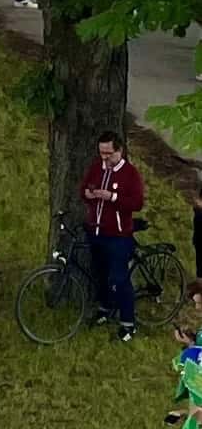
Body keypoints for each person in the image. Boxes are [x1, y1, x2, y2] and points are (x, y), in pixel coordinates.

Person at [80, 135, 146, 342]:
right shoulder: (96, 168)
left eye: (109, 153)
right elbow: (84, 189)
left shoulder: (130, 173)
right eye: (102, 153)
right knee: (100, 274)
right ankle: (105, 308)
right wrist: (88, 194)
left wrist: (113, 197)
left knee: (119, 278)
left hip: (118, 235)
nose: (105, 158)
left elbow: (137, 203)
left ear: (119, 151)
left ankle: (128, 323)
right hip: (96, 231)